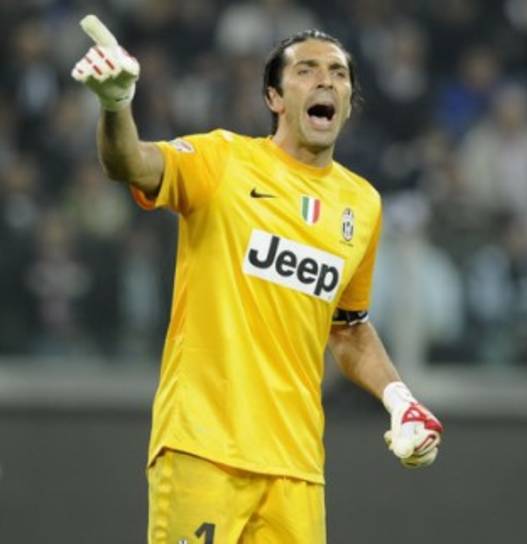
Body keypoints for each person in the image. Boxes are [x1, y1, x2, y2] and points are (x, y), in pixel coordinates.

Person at [71, 15, 443, 544]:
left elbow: (348, 327)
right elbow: (129, 162)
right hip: (204, 446)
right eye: (306, 70)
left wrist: (399, 398)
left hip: (296, 467)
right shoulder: (223, 160)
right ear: (274, 97)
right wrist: (116, 106)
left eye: (338, 74)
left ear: (348, 102)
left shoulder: (362, 205)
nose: (325, 81)